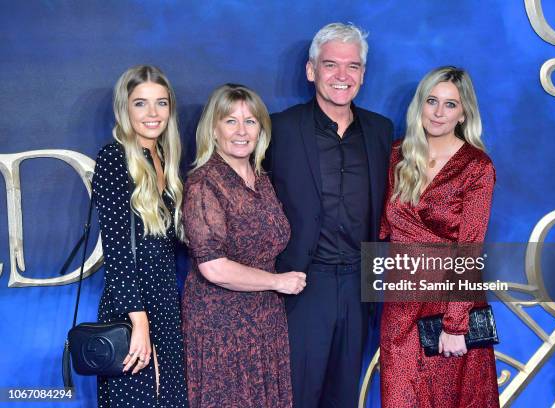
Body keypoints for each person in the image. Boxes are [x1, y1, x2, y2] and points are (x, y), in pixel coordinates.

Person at [264, 23, 393, 408]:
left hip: (359, 285)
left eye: (352, 67)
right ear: (311, 70)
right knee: (296, 395)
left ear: (363, 75)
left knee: (344, 396)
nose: (342, 76)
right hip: (303, 284)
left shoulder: (381, 132)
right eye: (331, 65)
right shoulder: (279, 129)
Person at [379, 66, 500, 407]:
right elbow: (381, 228)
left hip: (448, 302)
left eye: (450, 104)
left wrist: (456, 322)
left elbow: (470, 247)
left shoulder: (477, 167)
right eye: (432, 101)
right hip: (401, 302)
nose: (438, 112)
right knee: (400, 397)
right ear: (420, 104)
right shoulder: (396, 155)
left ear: (464, 112)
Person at [181, 83, 304, 407]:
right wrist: (278, 281)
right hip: (222, 325)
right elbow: (214, 267)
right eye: (230, 121)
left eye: (250, 121)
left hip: (264, 320)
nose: (241, 131)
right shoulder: (204, 182)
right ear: (214, 129)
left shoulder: (260, 177)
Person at [92, 65, 188, 407]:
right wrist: (139, 323)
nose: (152, 113)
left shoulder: (162, 158)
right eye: (141, 103)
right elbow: (117, 254)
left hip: (165, 303)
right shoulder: (114, 159)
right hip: (132, 308)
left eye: (161, 103)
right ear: (124, 108)